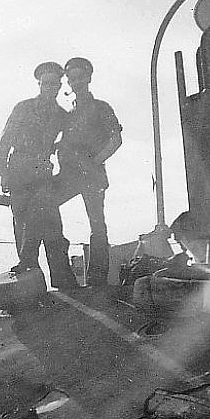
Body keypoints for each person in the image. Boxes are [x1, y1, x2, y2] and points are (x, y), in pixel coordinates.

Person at [0, 62, 78, 290]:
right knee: (22, 227)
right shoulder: (23, 108)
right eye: (46, 83)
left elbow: (72, 140)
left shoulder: (61, 115)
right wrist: (3, 172)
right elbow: (5, 142)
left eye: (54, 83)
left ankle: (63, 281)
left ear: (59, 85)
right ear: (40, 84)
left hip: (42, 173)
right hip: (19, 172)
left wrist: (59, 147)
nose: (50, 87)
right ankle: (30, 285)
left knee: (52, 227)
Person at [54, 57, 122, 285]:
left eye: (79, 77)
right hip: (70, 175)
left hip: (92, 175)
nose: (75, 83)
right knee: (46, 207)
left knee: (97, 225)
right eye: (71, 79)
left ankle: (97, 280)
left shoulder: (101, 107)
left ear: (89, 78)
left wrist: (95, 160)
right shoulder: (69, 114)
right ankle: (63, 276)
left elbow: (116, 139)